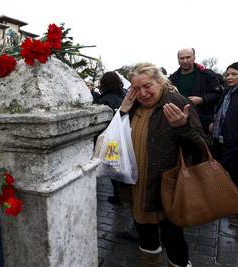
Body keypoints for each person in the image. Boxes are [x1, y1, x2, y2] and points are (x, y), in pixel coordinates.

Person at [120, 63, 204, 267]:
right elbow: (116, 139)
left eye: (147, 86)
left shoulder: (177, 102)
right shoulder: (132, 106)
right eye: (136, 88)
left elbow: (202, 149)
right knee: (146, 236)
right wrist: (122, 112)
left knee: (173, 239)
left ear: (160, 81)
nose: (142, 93)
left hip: (168, 188)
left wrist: (183, 128)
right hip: (138, 187)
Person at [211, 62, 238, 227]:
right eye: (227, 74)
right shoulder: (228, 92)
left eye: (234, 74)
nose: (229, 77)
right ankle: (233, 207)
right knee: (228, 176)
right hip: (223, 141)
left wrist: (237, 138)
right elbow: (222, 112)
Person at [169, 48, 221, 133]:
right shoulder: (172, 78)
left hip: (202, 122)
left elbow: (218, 95)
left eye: (188, 57)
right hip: (178, 123)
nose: (185, 61)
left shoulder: (207, 75)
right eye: (182, 58)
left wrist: (202, 99)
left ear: (194, 58)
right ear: (178, 60)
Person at [94, 71, 127, 205]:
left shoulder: (102, 100)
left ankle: (118, 195)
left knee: (114, 165)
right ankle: (127, 193)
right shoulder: (125, 95)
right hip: (125, 135)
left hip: (110, 139)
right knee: (126, 163)